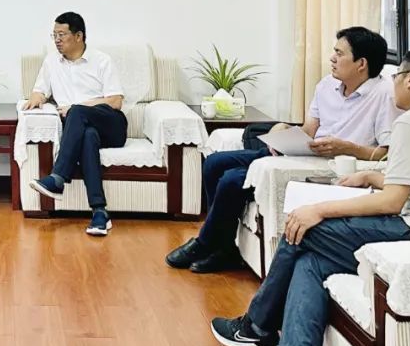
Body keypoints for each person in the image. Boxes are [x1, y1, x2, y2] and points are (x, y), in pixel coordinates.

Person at [211, 47, 410, 346]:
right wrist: (370, 176)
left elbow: (392, 202)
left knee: (302, 228)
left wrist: (318, 210)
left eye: (396, 76)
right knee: (311, 262)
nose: (392, 84)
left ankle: (255, 326)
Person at [166, 26, 396, 273]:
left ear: (361, 63)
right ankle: (224, 248)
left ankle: (205, 244)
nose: (332, 58)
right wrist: (284, 132)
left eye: (339, 54)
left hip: (332, 166)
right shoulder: (327, 85)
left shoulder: (384, 95)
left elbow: (386, 152)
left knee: (232, 179)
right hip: (304, 154)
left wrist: (348, 148)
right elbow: (309, 130)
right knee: (215, 162)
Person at [25, 12, 125, 237]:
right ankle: (99, 212)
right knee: (87, 136)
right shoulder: (51, 61)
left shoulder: (102, 60)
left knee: (77, 111)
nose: (57, 40)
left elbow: (115, 101)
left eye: (62, 35)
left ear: (78, 36)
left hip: (110, 124)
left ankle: (58, 178)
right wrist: (36, 99)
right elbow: (39, 90)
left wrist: (78, 106)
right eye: (54, 35)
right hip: (82, 128)